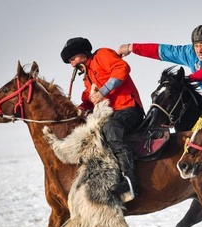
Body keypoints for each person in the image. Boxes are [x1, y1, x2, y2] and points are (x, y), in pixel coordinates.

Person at [61, 37, 145, 201]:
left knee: (110, 129)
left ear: (83, 53)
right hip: (111, 113)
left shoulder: (102, 55)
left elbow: (122, 68)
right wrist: (81, 108)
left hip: (128, 108)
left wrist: (102, 92)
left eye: (73, 59)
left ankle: (130, 182)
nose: (72, 64)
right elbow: (89, 98)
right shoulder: (87, 76)